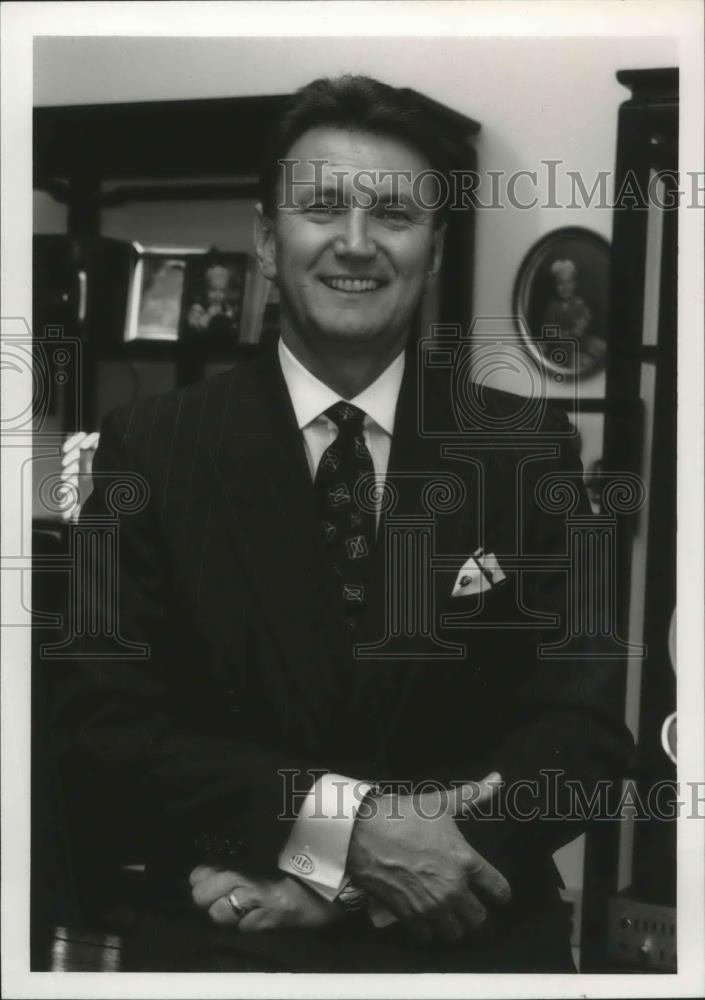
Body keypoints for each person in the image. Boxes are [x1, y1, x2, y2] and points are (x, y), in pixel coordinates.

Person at [57, 75, 633, 973]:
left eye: (394, 215)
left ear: (434, 249)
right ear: (263, 238)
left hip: (467, 942)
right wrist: (348, 836)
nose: (355, 244)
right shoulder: (151, 448)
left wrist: (337, 888)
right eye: (321, 206)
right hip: (225, 950)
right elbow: (102, 732)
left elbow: (584, 741)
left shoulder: (530, 450)